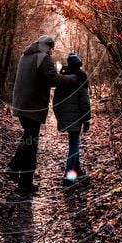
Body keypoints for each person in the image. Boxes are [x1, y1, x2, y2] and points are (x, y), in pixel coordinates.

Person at [7, 35, 77, 194]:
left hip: (21, 105)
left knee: (30, 141)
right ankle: (14, 167)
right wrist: (73, 78)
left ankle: (24, 183)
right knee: (30, 142)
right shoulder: (42, 57)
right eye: (52, 49)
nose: (52, 53)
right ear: (48, 47)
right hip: (33, 106)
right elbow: (53, 79)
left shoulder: (26, 56)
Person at [52, 52, 91, 188]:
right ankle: (68, 178)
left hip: (66, 116)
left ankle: (77, 171)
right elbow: (84, 101)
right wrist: (86, 119)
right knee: (74, 146)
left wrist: (59, 116)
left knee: (74, 143)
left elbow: (55, 100)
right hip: (77, 116)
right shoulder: (81, 77)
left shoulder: (63, 78)